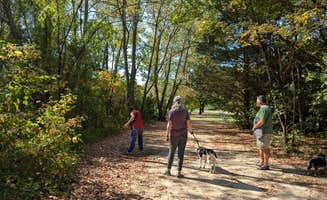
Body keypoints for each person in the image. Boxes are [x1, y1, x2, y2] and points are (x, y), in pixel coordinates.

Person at [164, 96, 193, 178]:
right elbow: (188, 124)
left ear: (174, 102)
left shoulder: (171, 112)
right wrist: (191, 131)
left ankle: (168, 171)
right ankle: (179, 172)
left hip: (174, 134)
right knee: (181, 153)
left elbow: (169, 125)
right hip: (183, 134)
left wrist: (167, 135)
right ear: (182, 102)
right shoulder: (185, 111)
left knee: (172, 152)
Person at [252, 95, 273, 170]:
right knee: (261, 147)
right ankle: (262, 162)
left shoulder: (264, 108)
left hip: (264, 131)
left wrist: (255, 127)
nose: (256, 101)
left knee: (265, 148)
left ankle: (266, 165)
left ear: (260, 101)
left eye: (257, 100)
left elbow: (262, 121)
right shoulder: (262, 108)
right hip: (260, 131)